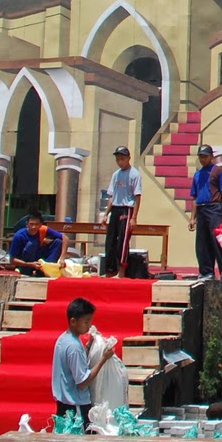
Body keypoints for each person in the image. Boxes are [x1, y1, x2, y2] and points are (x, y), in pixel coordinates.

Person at [52, 297, 117, 424]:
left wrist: (88, 347)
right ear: (73, 321)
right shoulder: (74, 346)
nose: (89, 326)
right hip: (76, 407)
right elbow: (82, 382)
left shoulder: (63, 339)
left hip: (64, 404)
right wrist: (103, 359)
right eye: (86, 322)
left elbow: (74, 366)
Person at [187, 144, 222, 279]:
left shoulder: (218, 171)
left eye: (205, 156)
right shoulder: (197, 174)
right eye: (200, 157)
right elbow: (195, 197)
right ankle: (206, 272)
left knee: (218, 241)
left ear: (211, 156)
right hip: (201, 209)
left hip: (214, 208)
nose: (202, 159)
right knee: (202, 244)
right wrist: (192, 218)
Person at [101, 147, 141, 277]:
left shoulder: (134, 174)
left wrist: (134, 217)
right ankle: (110, 270)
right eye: (118, 159)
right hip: (116, 208)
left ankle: (121, 271)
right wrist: (106, 214)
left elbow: (137, 196)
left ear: (128, 158)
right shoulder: (116, 175)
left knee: (122, 242)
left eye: (122, 159)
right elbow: (111, 196)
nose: (120, 162)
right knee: (110, 240)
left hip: (127, 208)